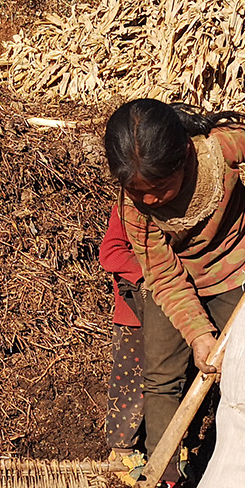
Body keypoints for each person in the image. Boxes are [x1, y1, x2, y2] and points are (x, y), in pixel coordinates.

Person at [103, 98, 245, 488]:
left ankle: (232, 467)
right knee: (162, 374)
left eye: (160, 187)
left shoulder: (219, 151)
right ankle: (169, 479)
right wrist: (198, 334)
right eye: (139, 192)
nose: (152, 198)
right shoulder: (136, 211)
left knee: (240, 374)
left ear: (184, 157)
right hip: (176, 285)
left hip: (237, 276)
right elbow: (163, 276)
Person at [98, 200, 145, 467]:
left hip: (176, 310)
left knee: (168, 382)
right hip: (134, 316)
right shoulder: (128, 206)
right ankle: (122, 454)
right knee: (129, 384)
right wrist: (150, 273)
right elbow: (111, 252)